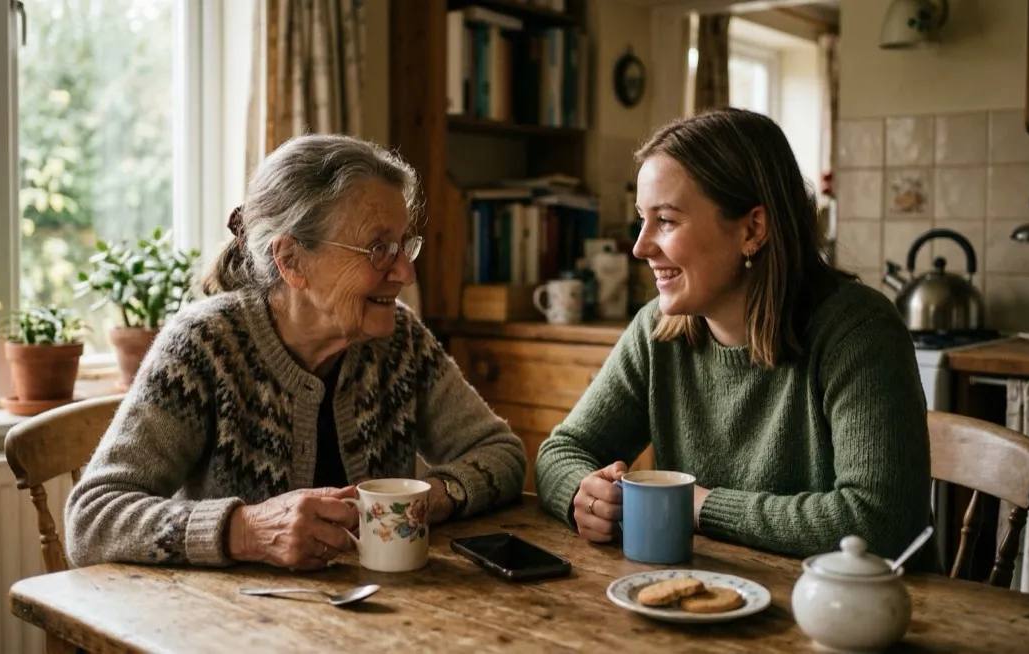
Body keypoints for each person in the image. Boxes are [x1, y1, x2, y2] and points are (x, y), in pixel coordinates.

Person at [65, 133, 527, 571]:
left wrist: (423, 500)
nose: (405, 272)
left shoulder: (399, 340)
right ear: (291, 261)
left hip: (379, 616)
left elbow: (500, 453)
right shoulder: (204, 346)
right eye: (379, 249)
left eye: (404, 245)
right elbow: (91, 519)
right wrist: (244, 530)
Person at [535, 108, 935, 569]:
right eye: (641, 219)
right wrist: (584, 498)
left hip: (861, 617)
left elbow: (880, 522)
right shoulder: (657, 331)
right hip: (714, 598)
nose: (640, 247)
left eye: (665, 220)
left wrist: (697, 505)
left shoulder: (857, 331)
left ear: (752, 229)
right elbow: (560, 452)